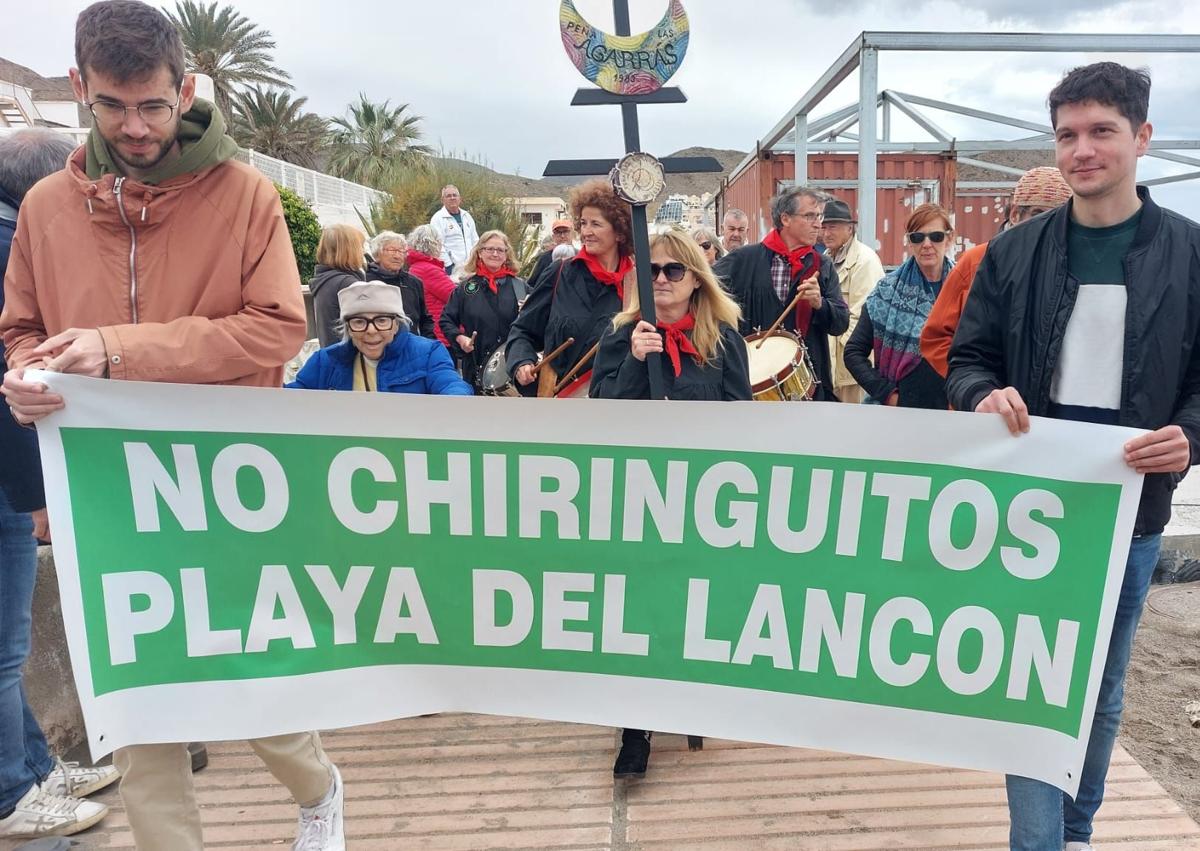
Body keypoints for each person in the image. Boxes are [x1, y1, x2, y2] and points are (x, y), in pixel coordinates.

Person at [0, 4, 345, 849]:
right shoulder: (45, 209)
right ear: (80, 88)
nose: (135, 125)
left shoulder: (247, 194)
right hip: (105, 493)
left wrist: (118, 350)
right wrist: (24, 379)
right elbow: (18, 332)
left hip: (227, 483)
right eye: (113, 106)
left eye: (152, 105)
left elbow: (276, 328)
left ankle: (318, 783)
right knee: (135, 705)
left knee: (246, 673)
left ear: (183, 87)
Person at [946, 62, 1200, 851]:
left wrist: (1192, 435)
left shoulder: (1192, 254)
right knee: (1034, 683)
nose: (1082, 150)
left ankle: (1077, 829)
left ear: (1142, 137)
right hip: (1029, 506)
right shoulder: (1013, 253)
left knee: (1103, 686)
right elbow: (965, 359)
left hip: (1131, 511)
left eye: (1101, 132)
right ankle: (1041, 842)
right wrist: (982, 395)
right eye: (1067, 135)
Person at [591, 230, 750, 778]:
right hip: (639, 494)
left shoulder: (724, 339)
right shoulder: (619, 334)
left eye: (672, 271)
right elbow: (601, 414)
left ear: (695, 277)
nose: (660, 279)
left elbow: (741, 417)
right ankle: (637, 727)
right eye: (651, 270)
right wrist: (636, 361)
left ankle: (689, 699)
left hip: (702, 496)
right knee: (640, 607)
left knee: (692, 603)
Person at [0, 129, 121, 841]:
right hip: (8, 478)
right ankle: (15, 791)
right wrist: (38, 495)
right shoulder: (10, 244)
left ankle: (36, 767)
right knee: (4, 646)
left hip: (10, 478)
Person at [920, 167, 1072, 378]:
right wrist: (975, 385)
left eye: (1058, 216)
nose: (1047, 224)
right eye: (1039, 214)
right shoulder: (977, 262)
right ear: (1016, 214)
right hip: (984, 406)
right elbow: (935, 338)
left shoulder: (1072, 270)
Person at [712, 186, 848, 401]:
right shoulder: (743, 259)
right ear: (785, 219)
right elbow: (703, 291)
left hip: (808, 386)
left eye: (819, 216)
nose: (818, 224)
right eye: (810, 216)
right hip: (751, 383)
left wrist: (820, 304)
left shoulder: (822, 265)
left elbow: (840, 323)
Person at [505, 178, 634, 397]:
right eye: (583, 223)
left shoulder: (639, 283)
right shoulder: (559, 273)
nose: (586, 232)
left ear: (620, 232)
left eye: (596, 224)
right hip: (559, 403)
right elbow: (523, 331)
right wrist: (521, 362)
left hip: (615, 405)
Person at [844, 203, 954, 409]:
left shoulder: (967, 288)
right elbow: (853, 353)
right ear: (909, 243)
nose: (927, 244)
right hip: (901, 411)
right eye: (917, 237)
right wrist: (888, 395)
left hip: (955, 410)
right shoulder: (886, 292)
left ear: (949, 239)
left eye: (936, 236)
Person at [288, 282, 471, 395]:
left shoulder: (429, 353)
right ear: (348, 328)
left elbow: (450, 384)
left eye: (382, 320)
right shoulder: (325, 361)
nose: (371, 330)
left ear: (396, 324)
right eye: (359, 322)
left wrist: (455, 400)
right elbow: (289, 400)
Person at [439, 231, 529, 392]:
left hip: (514, 368)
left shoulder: (521, 287)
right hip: (476, 366)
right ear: (480, 252)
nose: (495, 254)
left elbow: (539, 319)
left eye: (500, 250)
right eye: (489, 249)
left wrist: (528, 310)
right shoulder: (466, 288)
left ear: (507, 255)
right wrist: (460, 339)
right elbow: (446, 320)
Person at [820, 198, 884, 403]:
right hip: (833, 367)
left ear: (849, 229)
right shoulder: (827, 258)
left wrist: (848, 358)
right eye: (824, 227)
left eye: (833, 227)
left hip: (850, 371)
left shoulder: (865, 261)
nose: (827, 233)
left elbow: (862, 318)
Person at [365, 231, 437, 340]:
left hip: (411, 346)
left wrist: (427, 343)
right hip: (378, 346)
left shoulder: (413, 282)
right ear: (377, 254)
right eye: (392, 250)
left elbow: (425, 319)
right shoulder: (365, 282)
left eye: (401, 251)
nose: (397, 256)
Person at [311, 224, 367, 348]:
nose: (363, 252)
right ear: (349, 249)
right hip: (351, 360)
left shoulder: (325, 280)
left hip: (333, 355)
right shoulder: (347, 284)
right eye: (360, 247)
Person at [405, 224, 457, 348]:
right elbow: (455, 296)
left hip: (432, 332)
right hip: (441, 333)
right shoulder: (429, 270)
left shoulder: (416, 267)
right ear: (434, 244)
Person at [429, 184, 478, 275]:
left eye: (455, 195)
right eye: (448, 196)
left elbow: (475, 239)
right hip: (451, 268)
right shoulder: (438, 218)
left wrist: (476, 259)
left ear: (460, 198)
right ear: (442, 200)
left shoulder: (466, 216)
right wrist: (448, 265)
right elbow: (438, 244)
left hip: (470, 266)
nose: (452, 198)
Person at [528, 218, 576, 288]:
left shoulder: (579, 256)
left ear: (572, 234)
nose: (562, 236)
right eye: (558, 233)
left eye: (565, 232)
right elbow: (533, 284)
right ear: (553, 236)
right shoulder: (545, 258)